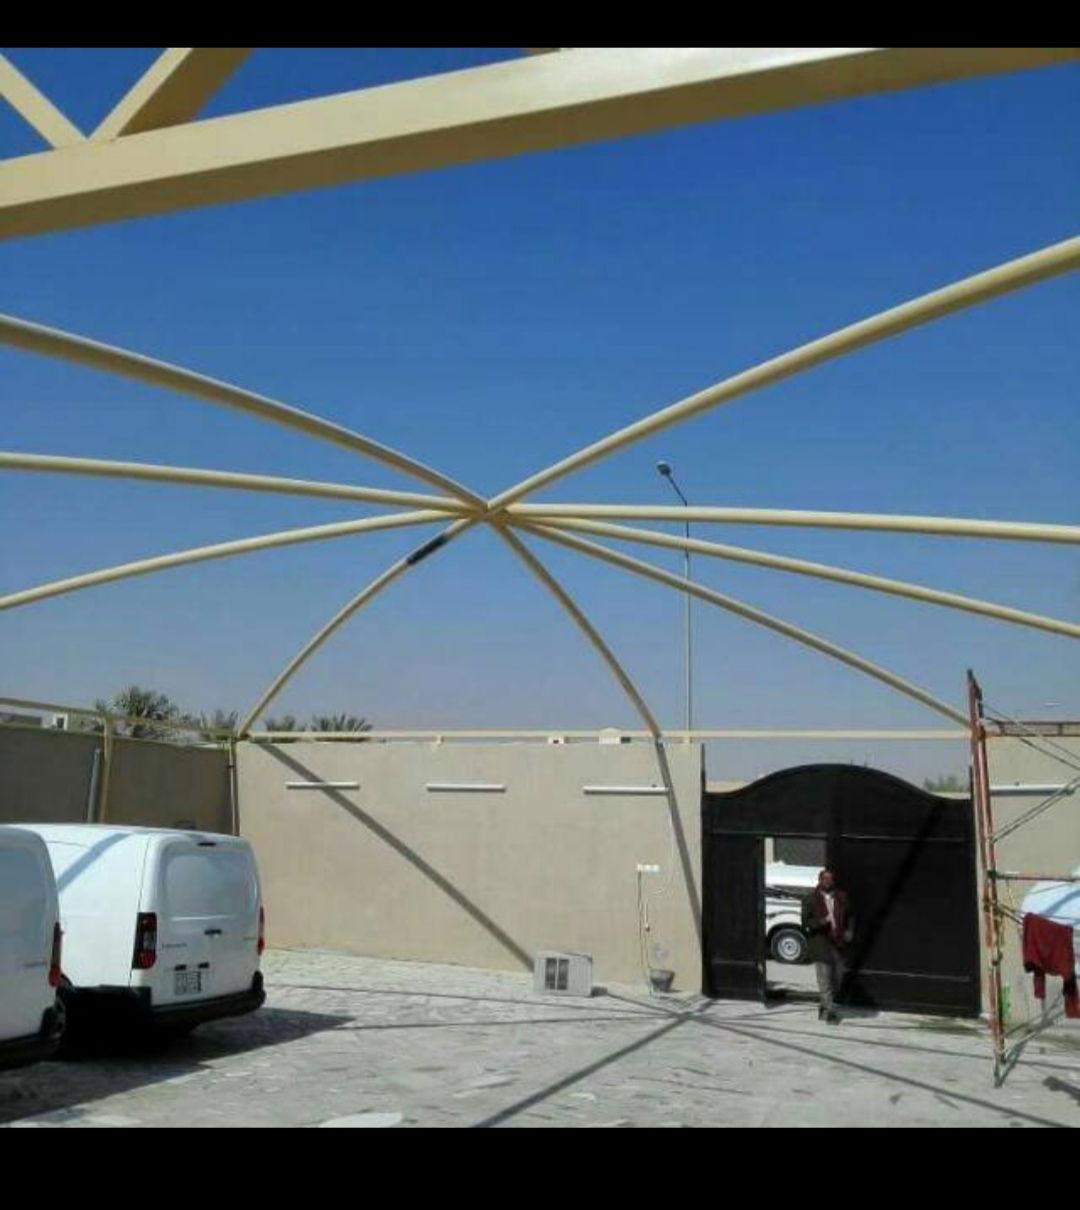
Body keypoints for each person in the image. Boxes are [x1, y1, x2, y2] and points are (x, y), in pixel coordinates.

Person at [802, 868, 854, 1024]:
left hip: (838, 942)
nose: (827, 881)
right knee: (824, 979)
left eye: (830, 878)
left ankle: (824, 1005)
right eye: (824, 878)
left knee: (837, 978)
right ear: (819, 880)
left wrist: (850, 931)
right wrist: (820, 922)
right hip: (821, 943)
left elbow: (851, 915)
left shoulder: (842, 897)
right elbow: (805, 922)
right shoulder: (810, 899)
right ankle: (831, 1012)